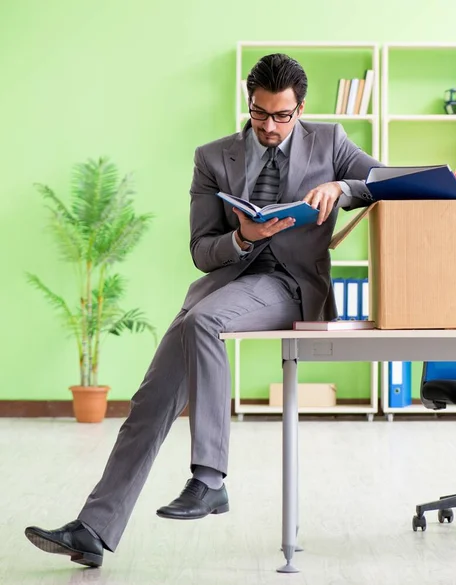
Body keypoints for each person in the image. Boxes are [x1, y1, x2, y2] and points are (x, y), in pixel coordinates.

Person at [24, 52, 383, 568]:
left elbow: (386, 181)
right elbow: (200, 250)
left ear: (300, 109)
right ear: (249, 103)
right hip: (224, 284)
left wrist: (341, 186)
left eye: (283, 116)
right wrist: (243, 235)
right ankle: (93, 529)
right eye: (261, 114)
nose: (271, 127)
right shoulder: (213, 157)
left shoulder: (330, 142)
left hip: (288, 286)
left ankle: (209, 479)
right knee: (149, 403)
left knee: (204, 322)